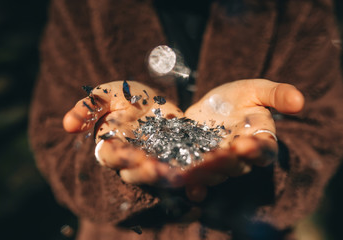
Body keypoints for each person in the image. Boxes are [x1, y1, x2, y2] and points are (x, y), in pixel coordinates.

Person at [29, 0, 343, 239]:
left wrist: (264, 167)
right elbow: (54, 138)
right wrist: (109, 168)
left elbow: (321, 135)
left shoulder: (298, 9)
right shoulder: (82, 9)